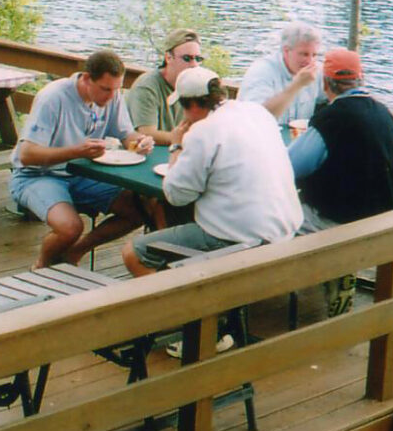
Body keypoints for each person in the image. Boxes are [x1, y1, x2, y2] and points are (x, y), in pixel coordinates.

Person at [122, 67, 303, 277]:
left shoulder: (203, 131)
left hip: (241, 240)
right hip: (285, 230)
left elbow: (176, 196)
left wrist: (176, 146)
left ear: (191, 106)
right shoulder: (257, 113)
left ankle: (182, 308)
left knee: (134, 253)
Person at [10, 50, 154, 269]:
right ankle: (41, 267)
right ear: (87, 79)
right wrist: (76, 151)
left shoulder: (112, 96)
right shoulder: (53, 97)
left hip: (83, 172)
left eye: (117, 90)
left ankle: (74, 252)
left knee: (142, 210)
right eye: (105, 89)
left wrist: (140, 142)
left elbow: (126, 135)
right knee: (69, 227)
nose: (111, 96)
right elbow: (27, 155)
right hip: (37, 175)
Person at [287, 47, 393, 315]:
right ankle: (340, 274)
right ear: (361, 79)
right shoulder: (383, 113)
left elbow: (290, 166)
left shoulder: (331, 118)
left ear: (326, 83)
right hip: (382, 215)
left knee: (274, 216)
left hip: (338, 219)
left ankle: (246, 299)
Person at [125, 28, 203, 145]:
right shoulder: (147, 86)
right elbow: (147, 132)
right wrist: (184, 139)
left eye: (198, 59)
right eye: (187, 58)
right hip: (142, 152)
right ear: (168, 58)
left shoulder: (197, 86)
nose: (194, 65)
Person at [239, 21, 325, 125]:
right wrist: (296, 85)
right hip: (260, 137)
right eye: (304, 54)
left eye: (314, 55)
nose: (310, 61)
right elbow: (258, 118)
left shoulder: (316, 71)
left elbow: (332, 98)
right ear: (286, 51)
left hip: (297, 138)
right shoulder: (261, 72)